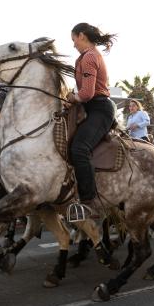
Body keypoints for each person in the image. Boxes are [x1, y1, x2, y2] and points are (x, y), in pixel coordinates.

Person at [65, 22, 117, 211]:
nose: (73, 44)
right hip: (92, 108)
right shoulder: (88, 56)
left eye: (74, 39)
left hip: (98, 109)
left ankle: (89, 202)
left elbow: (86, 93)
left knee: (79, 149)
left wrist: (72, 98)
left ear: (82, 36)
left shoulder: (88, 57)